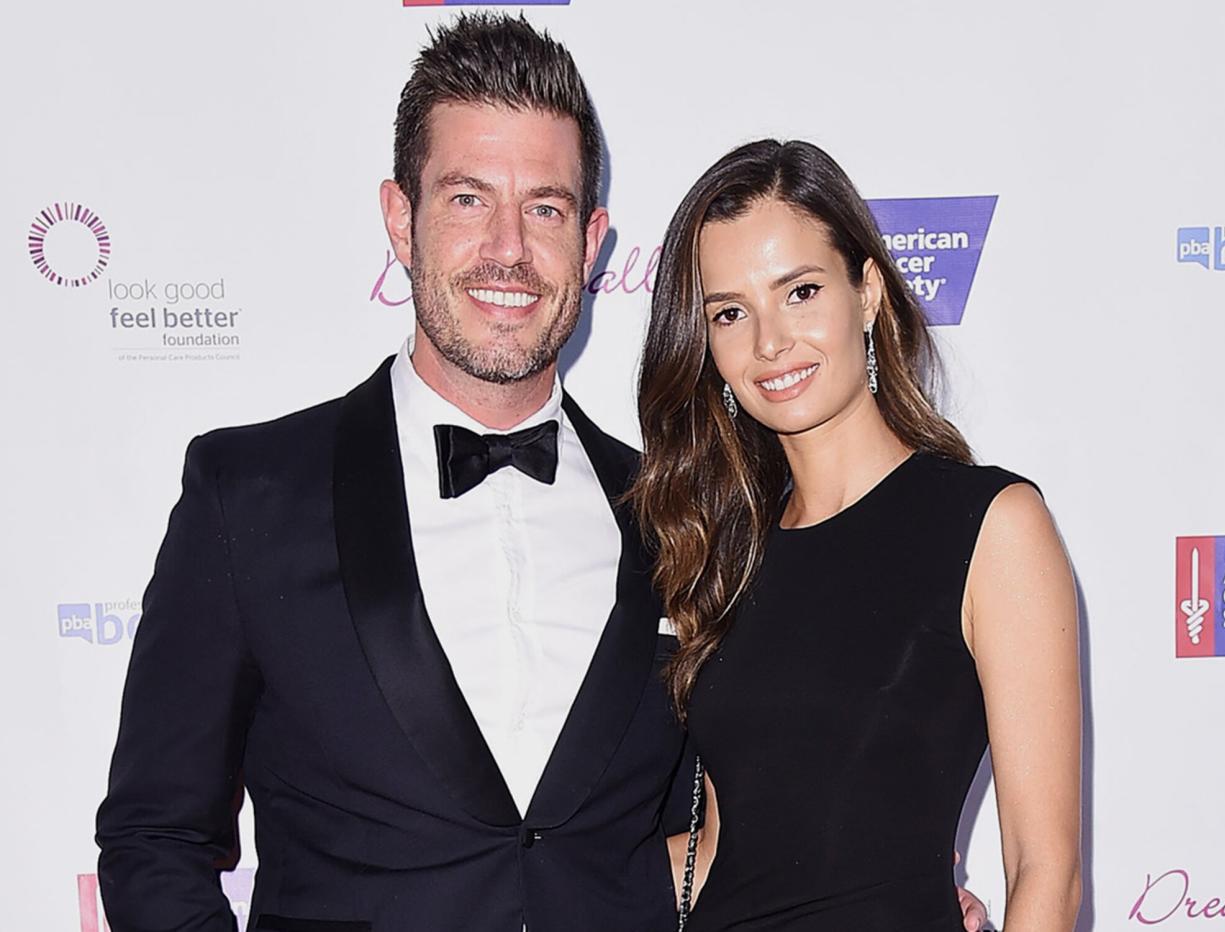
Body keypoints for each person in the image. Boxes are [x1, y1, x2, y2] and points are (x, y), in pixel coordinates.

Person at [96, 14, 988, 932]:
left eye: (547, 208)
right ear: (400, 219)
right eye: (468, 198)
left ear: (594, 238)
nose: (509, 250)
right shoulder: (247, 492)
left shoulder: (681, 513)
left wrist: (892, 885)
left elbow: (739, 806)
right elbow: (154, 838)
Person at [633, 140, 1082, 931]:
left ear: (867, 293)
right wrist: (518, 878)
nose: (769, 343)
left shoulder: (991, 528)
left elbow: (1047, 873)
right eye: (730, 313)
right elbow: (727, 845)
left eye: (800, 292)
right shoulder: (724, 551)